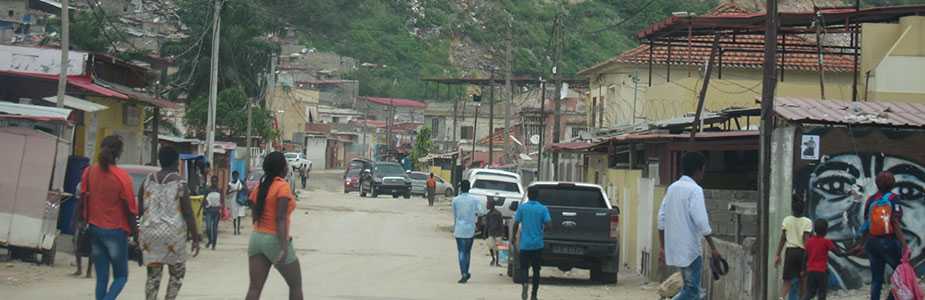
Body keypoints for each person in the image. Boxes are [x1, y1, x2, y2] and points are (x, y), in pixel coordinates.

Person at [78, 135, 138, 300]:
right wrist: (137, 235)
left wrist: (79, 222)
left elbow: (82, 199)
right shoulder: (122, 177)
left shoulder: (89, 172)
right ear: (119, 153)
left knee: (102, 279)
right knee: (121, 276)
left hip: (94, 229)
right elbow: (130, 210)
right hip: (116, 232)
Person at [138, 145, 202, 300]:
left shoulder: (147, 180)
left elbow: (141, 208)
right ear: (175, 162)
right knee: (177, 273)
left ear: (160, 160)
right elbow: (187, 212)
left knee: (153, 276)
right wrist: (195, 237)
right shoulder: (180, 183)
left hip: (150, 234)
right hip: (174, 235)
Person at [657, 152, 722, 300]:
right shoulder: (695, 190)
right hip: (690, 251)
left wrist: (662, 246)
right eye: (704, 169)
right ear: (699, 169)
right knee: (692, 291)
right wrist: (713, 248)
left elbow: (661, 219)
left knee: (691, 290)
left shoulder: (672, 188)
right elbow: (701, 222)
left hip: (674, 249)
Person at [246, 152, 303, 300]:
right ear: (282, 168)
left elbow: (252, 205)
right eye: (285, 163)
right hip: (274, 239)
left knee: (254, 288)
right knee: (295, 286)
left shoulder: (261, 186)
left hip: (256, 238)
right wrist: (284, 247)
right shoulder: (282, 187)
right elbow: (280, 218)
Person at [851, 172, 907, 300]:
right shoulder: (893, 199)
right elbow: (895, 221)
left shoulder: (871, 200)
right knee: (900, 274)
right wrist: (904, 245)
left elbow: (867, 224)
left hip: (872, 243)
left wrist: (861, 244)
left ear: (877, 184)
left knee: (876, 279)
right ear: (892, 184)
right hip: (890, 242)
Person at [514, 188, 552, 300]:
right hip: (537, 245)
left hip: (525, 245)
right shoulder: (543, 209)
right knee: (536, 270)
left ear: (529, 196)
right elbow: (549, 225)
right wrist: (542, 231)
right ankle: (534, 295)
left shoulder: (522, 208)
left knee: (524, 268)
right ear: (538, 196)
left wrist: (512, 237)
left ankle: (525, 284)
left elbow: (516, 223)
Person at [774, 199, 813, 300]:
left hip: (790, 252)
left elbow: (783, 239)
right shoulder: (807, 221)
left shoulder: (787, 220)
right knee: (803, 280)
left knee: (787, 280)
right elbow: (806, 240)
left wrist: (778, 254)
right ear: (803, 210)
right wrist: (810, 255)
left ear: (792, 209)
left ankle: (782, 297)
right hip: (802, 253)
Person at [451, 180, 486, 284]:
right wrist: (474, 214)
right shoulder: (474, 200)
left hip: (459, 229)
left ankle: (464, 273)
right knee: (467, 252)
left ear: (461, 188)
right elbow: (482, 212)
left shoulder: (455, 200)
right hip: (470, 229)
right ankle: (466, 271)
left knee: (461, 251)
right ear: (469, 187)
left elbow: (454, 215)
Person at [803, 219, 843, 300]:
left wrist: (803, 270)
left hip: (811, 271)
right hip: (822, 272)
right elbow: (838, 254)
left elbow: (805, 257)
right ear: (826, 230)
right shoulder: (827, 242)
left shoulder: (809, 242)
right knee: (822, 293)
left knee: (809, 293)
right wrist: (851, 252)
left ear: (814, 230)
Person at [72, 182, 93, 278]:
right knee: (77, 242)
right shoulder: (81, 185)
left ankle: (87, 270)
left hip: (92, 220)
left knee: (91, 246)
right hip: (83, 219)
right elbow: (78, 205)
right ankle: (80, 269)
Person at [204, 175, 224, 250]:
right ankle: (210, 240)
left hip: (217, 211)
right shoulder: (208, 190)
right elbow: (204, 199)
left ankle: (213, 245)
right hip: (209, 211)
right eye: (213, 181)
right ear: (211, 181)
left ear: (217, 182)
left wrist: (222, 210)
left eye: (215, 181)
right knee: (208, 228)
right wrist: (201, 210)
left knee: (214, 228)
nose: (214, 182)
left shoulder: (220, 190)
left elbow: (222, 200)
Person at [484, 201, 504, 266]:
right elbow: (486, 225)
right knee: (491, 246)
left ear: (491, 205)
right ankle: (494, 259)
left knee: (496, 247)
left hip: (496, 233)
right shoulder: (489, 214)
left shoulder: (497, 213)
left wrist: (485, 233)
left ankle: (496, 260)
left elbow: (501, 224)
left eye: (488, 204)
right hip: (492, 233)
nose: (487, 206)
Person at [228, 171, 245, 236]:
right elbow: (227, 193)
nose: (235, 177)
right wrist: (233, 190)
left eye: (236, 175)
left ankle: (238, 230)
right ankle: (235, 230)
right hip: (233, 201)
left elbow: (245, 189)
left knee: (239, 216)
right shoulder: (230, 184)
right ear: (232, 176)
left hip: (240, 200)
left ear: (238, 176)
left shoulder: (241, 182)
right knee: (234, 216)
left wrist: (242, 188)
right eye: (234, 176)